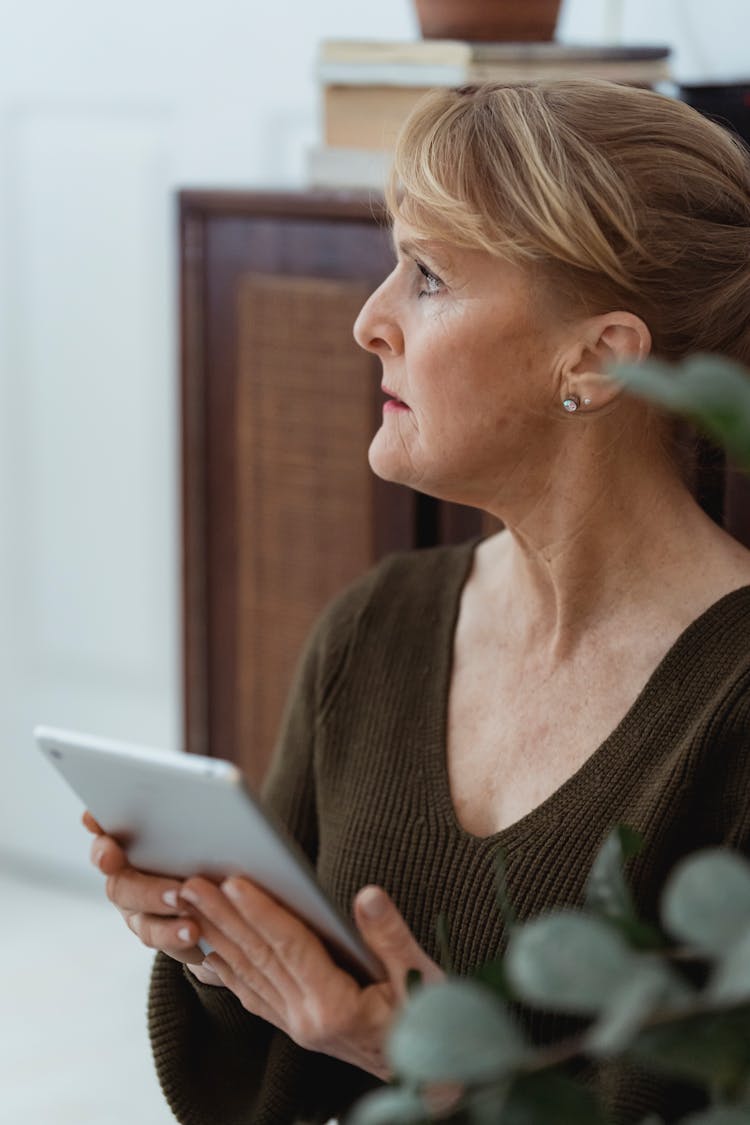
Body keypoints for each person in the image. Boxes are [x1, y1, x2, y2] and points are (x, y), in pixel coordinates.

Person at [86, 80, 750, 1125]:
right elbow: (252, 1083)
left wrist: (426, 1068)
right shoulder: (372, 627)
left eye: (429, 276)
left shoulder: (734, 707)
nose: (367, 321)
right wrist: (220, 950)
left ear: (598, 358)